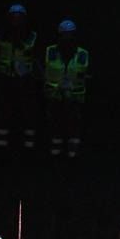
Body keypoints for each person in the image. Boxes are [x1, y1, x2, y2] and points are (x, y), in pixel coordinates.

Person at [0, 4, 39, 150]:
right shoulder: (1, 34)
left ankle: (28, 143)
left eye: (19, 17)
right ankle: (2, 144)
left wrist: (17, 37)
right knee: (4, 111)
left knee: (27, 111)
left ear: (24, 19)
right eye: (13, 17)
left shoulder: (31, 35)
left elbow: (30, 52)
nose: (16, 20)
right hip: (5, 77)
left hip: (24, 79)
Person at [44, 19, 89, 158]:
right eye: (64, 34)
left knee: (74, 127)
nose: (67, 37)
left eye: (70, 34)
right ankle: (55, 156)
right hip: (55, 95)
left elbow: (85, 73)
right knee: (55, 125)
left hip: (74, 97)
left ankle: (73, 156)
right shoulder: (50, 50)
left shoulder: (83, 53)